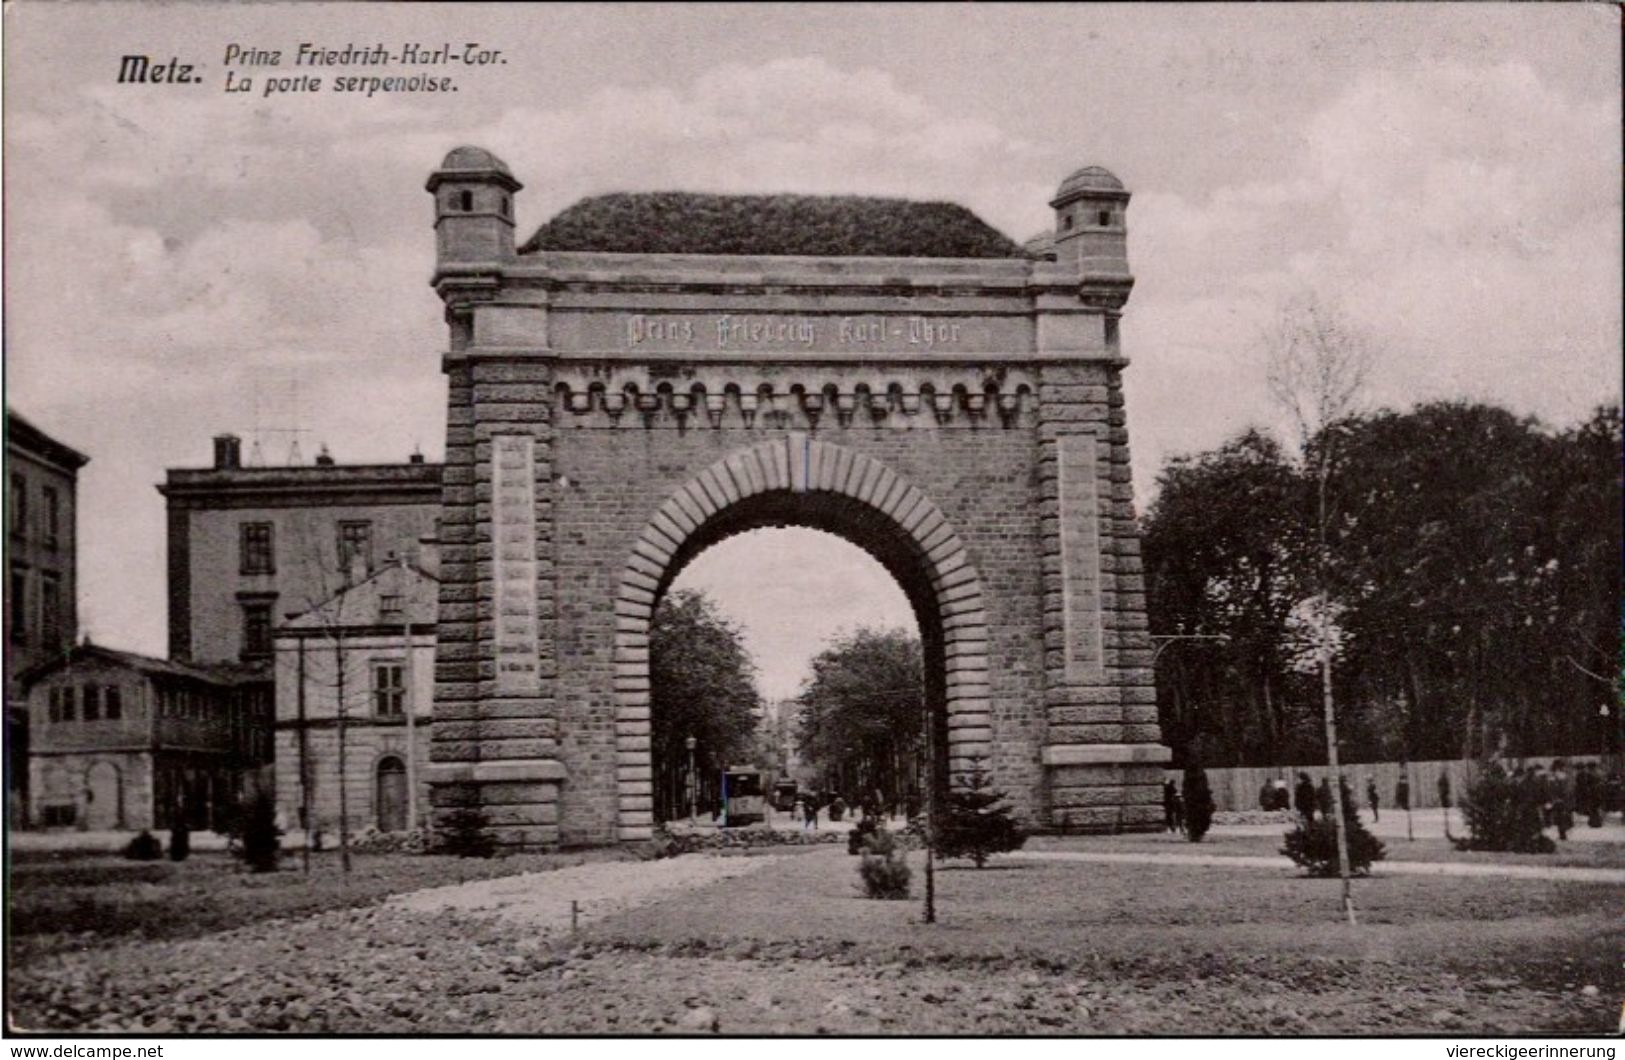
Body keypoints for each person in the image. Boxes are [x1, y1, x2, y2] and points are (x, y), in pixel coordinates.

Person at [1550, 759, 1574, 841]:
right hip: (1563, 800)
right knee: (1563, 817)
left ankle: (1562, 834)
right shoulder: (1564, 776)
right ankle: (1562, 834)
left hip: (1557, 800)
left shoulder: (1554, 776)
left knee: (1559, 817)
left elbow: (1552, 789)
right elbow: (1568, 790)